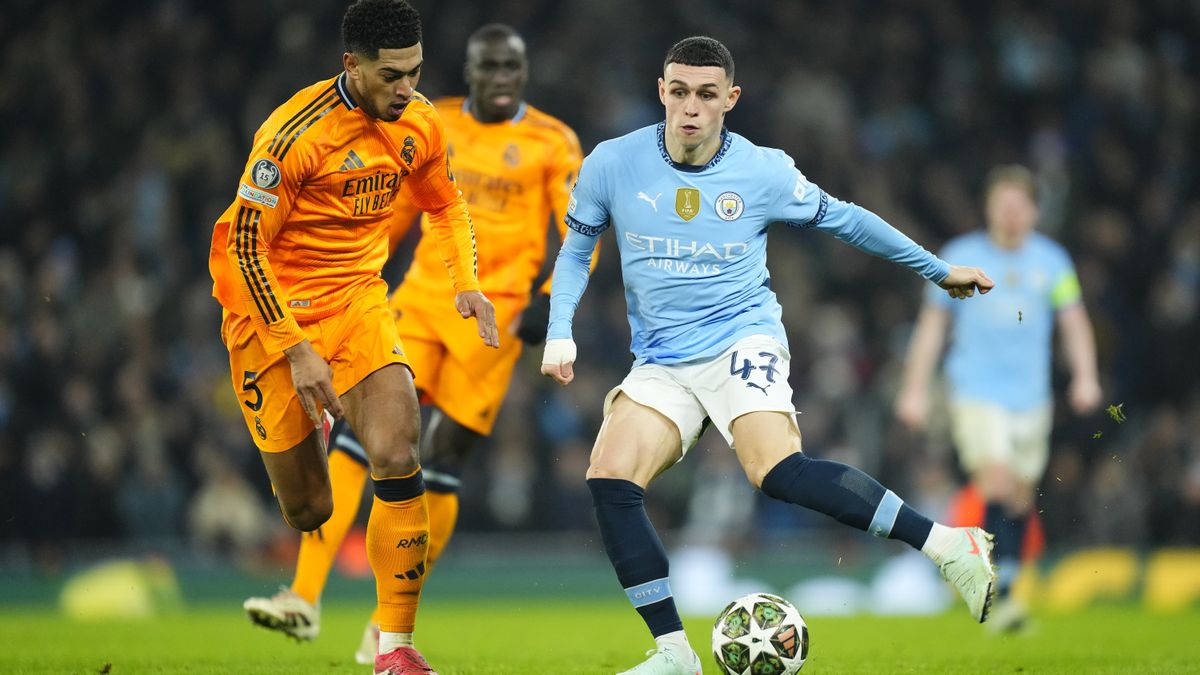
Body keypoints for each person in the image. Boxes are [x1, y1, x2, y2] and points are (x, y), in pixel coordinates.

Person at [539, 36, 999, 674]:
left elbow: (848, 220)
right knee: (610, 478)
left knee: (776, 471)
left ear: (731, 99)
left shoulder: (763, 171)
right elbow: (575, 250)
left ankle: (948, 545)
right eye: (679, 92)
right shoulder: (612, 163)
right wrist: (559, 327)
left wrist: (937, 269)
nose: (691, 108)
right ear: (661, 92)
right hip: (662, 360)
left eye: (706, 95)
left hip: (740, 338)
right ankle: (674, 655)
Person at [240, 23, 586, 663]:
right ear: (471, 71)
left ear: (525, 72)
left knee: (442, 460)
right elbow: (395, 210)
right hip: (422, 301)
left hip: (496, 318)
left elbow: (581, 228)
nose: (502, 79)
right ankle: (303, 596)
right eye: (490, 67)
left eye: (512, 67)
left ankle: (385, 624)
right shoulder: (432, 119)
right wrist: (355, 286)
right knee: (363, 438)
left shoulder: (552, 140)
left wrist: (551, 302)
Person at [209, 1, 499, 673]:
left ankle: (394, 647)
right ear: (352, 65)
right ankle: (308, 444)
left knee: (398, 453)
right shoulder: (292, 136)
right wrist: (297, 350)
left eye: (416, 71)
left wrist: (466, 281)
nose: (407, 88)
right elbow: (246, 248)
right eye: (392, 75)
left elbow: (446, 204)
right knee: (309, 508)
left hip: (358, 301)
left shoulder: (419, 122)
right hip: (270, 314)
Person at [895, 164, 1101, 632]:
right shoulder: (960, 257)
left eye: (1019, 205)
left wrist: (1086, 376)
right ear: (988, 208)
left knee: (1020, 494)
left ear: (1034, 211)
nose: (1010, 214)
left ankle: (1005, 587)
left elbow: (1073, 320)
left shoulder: (1052, 262)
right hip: (975, 391)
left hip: (1031, 397)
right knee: (998, 481)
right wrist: (915, 389)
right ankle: (992, 592)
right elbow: (932, 325)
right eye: (1002, 204)